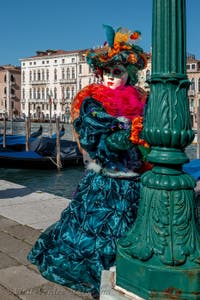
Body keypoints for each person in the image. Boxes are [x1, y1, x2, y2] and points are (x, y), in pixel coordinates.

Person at [27, 25, 150, 299]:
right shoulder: (93, 103)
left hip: (134, 179)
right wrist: (126, 136)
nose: (109, 77)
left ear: (128, 75)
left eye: (116, 72)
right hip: (106, 178)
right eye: (106, 72)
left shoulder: (143, 101)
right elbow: (97, 140)